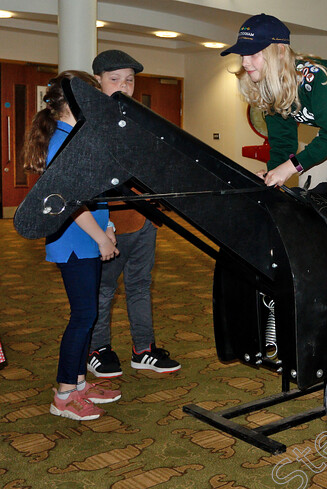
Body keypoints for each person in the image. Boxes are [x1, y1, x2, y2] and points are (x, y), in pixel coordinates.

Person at [221, 14, 327, 241]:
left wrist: (288, 168)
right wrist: (273, 173)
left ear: (280, 52)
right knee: (309, 180)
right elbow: (283, 142)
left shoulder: (317, 78)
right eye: (243, 54)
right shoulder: (271, 90)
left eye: (254, 54)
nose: (245, 62)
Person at [21, 71, 122, 420]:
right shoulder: (63, 140)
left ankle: (78, 383)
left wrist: (107, 227)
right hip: (76, 241)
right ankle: (64, 394)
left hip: (89, 236)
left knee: (88, 313)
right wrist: (99, 237)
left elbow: (94, 191)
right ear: (77, 101)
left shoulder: (73, 135)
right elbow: (67, 201)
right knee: (83, 316)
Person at [87, 50, 180, 378]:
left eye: (129, 80)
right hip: (111, 223)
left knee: (140, 284)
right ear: (98, 81)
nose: (123, 87)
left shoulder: (140, 119)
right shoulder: (91, 123)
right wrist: (104, 227)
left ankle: (144, 349)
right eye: (115, 80)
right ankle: (98, 348)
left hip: (145, 218)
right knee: (104, 289)